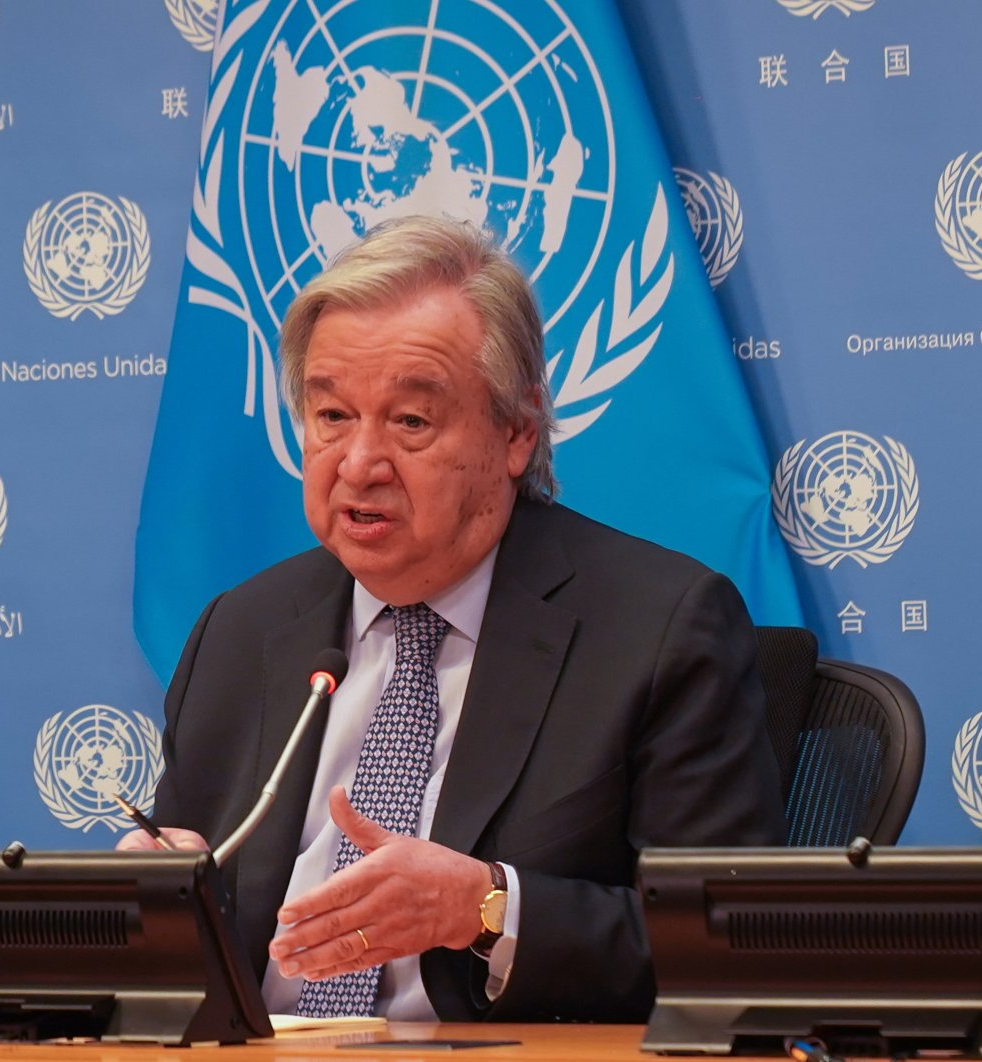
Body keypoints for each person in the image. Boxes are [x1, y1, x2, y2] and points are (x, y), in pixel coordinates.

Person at [119, 215, 785, 1022]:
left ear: (516, 432)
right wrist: (163, 894)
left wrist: (488, 908)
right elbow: (192, 906)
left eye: (410, 422)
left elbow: (725, 946)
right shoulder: (242, 630)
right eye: (331, 417)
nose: (360, 463)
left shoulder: (659, 630)